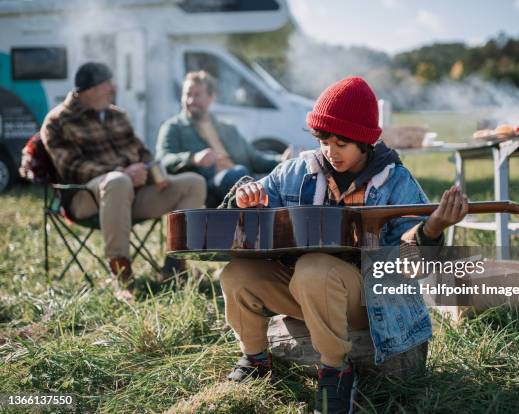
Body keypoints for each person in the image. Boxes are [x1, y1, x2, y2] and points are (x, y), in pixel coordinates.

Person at [219, 76, 468, 413]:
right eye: (324, 140)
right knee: (238, 273)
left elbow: (412, 267)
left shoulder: (396, 182)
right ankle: (255, 360)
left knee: (314, 268)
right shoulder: (296, 171)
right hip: (304, 291)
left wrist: (434, 228)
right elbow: (244, 204)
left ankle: (336, 372)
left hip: (368, 302)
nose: (330, 152)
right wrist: (244, 199)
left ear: (365, 142)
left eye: (341, 144)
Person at [41, 62, 205, 296]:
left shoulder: (118, 116)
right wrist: (122, 171)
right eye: (108, 83)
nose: (113, 88)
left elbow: (144, 153)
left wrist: (151, 172)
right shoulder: (58, 120)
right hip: (85, 198)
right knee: (118, 181)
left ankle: (174, 265)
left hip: (132, 194)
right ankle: (122, 275)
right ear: (92, 88)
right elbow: (73, 167)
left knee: (193, 182)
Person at [155, 70, 290, 205]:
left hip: (241, 179)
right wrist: (193, 158)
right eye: (187, 94)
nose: (191, 100)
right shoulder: (174, 127)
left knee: (279, 180)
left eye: (197, 95)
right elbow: (163, 161)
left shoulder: (227, 128)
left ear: (211, 97)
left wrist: (282, 160)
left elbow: (255, 158)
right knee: (240, 176)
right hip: (209, 184)